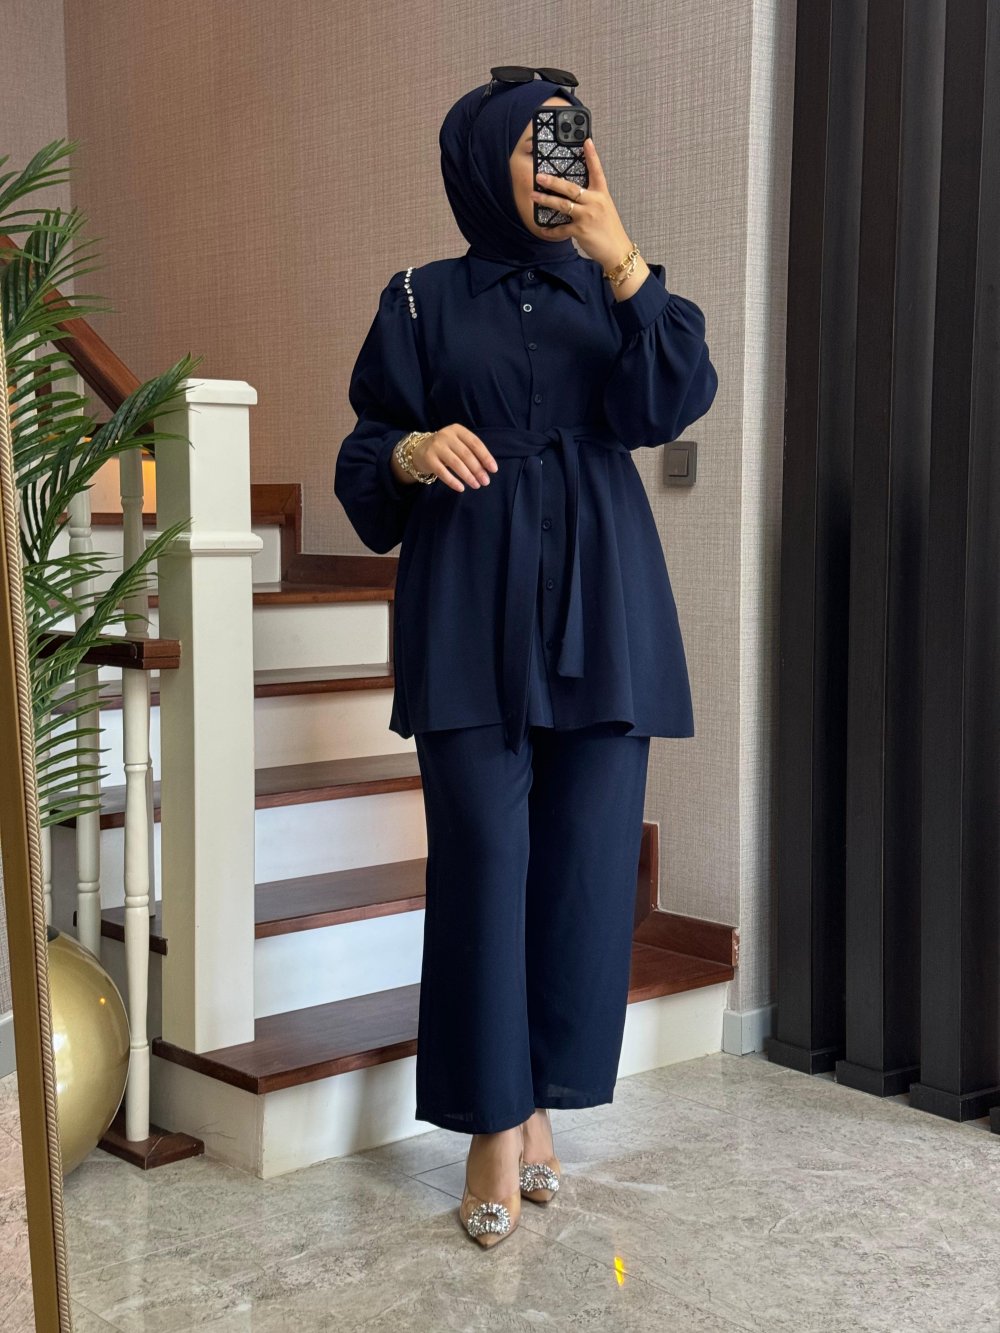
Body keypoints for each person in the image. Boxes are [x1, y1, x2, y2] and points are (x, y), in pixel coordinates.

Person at [334, 68, 718, 1248]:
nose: (561, 161)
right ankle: (491, 1125)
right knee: (485, 866)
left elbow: (670, 402)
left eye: (573, 139)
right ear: (480, 160)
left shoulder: (619, 289)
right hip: (466, 608)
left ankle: (539, 1099)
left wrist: (622, 255)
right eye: (536, 142)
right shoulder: (420, 299)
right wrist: (412, 452)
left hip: (604, 609)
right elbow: (365, 453)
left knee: (584, 876)